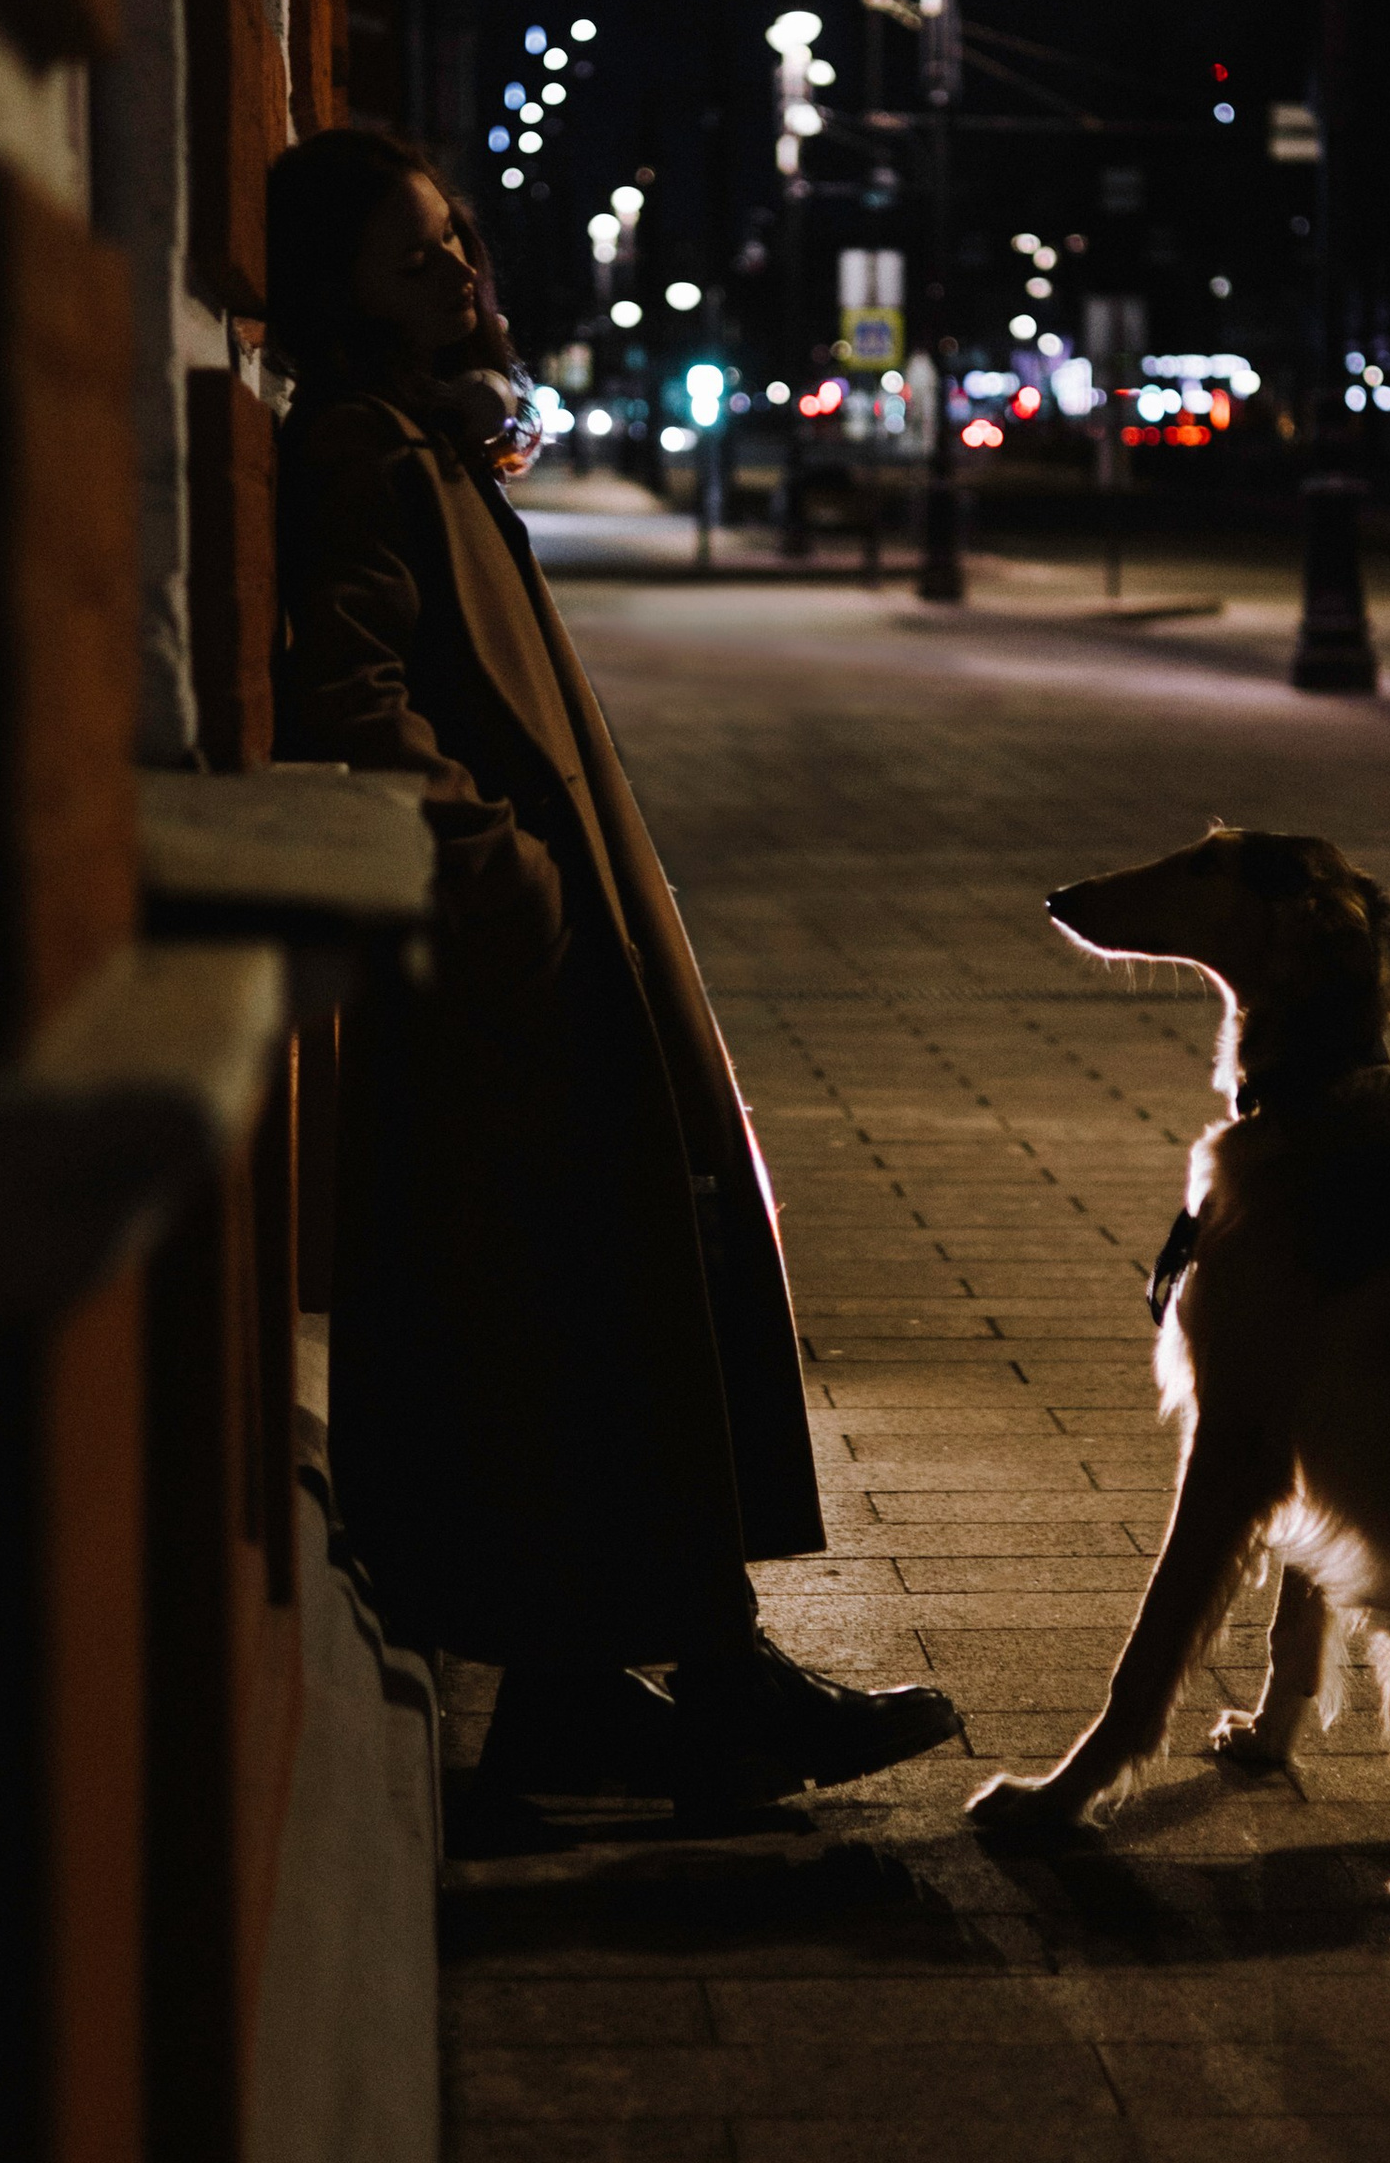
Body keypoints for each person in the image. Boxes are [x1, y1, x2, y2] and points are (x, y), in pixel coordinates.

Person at [267, 128, 960, 1811]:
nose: (458, 274)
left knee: (599, 1319)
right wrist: (497, 873)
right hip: (520, 982)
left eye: (457, 246)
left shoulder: (425, 441)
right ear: (339, 289)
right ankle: (689, 1687)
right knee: (589, 1316)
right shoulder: (366, 449)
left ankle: (614, 1694)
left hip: (555, 967)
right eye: (413, 257)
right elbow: (350, 704)